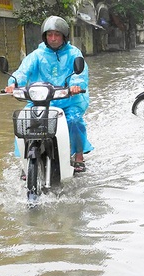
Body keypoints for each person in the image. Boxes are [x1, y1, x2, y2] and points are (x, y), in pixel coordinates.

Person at [5, 16, 92, 173]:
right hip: (42, 99)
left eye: (57, 35)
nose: (53, 38)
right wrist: (14, 83)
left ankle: (79, 156)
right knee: (25, 121)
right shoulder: (37, 55)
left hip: (70, 99)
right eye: (49, 35)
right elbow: (23, 71)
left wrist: (75, 86)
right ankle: (26, 160)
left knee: (74, 120)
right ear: (44, 36)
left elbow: (80, 74)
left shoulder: (74, 53)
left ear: (64, 36)